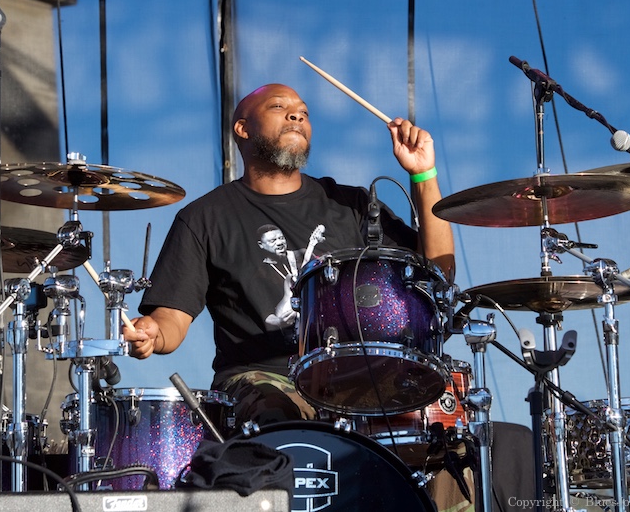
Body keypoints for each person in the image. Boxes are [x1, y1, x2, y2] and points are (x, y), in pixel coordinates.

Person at [122, 83, 461, 504]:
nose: (297, 115)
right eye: (280, 107)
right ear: (243, 129)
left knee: (445, 436)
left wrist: (423, 174)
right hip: (262, 376)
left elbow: (440, 269)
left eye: (303, 111)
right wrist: (152, 332)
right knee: (280, 413)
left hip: (357, 371)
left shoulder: (351, 204)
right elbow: (172, 318)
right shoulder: (204, 218)